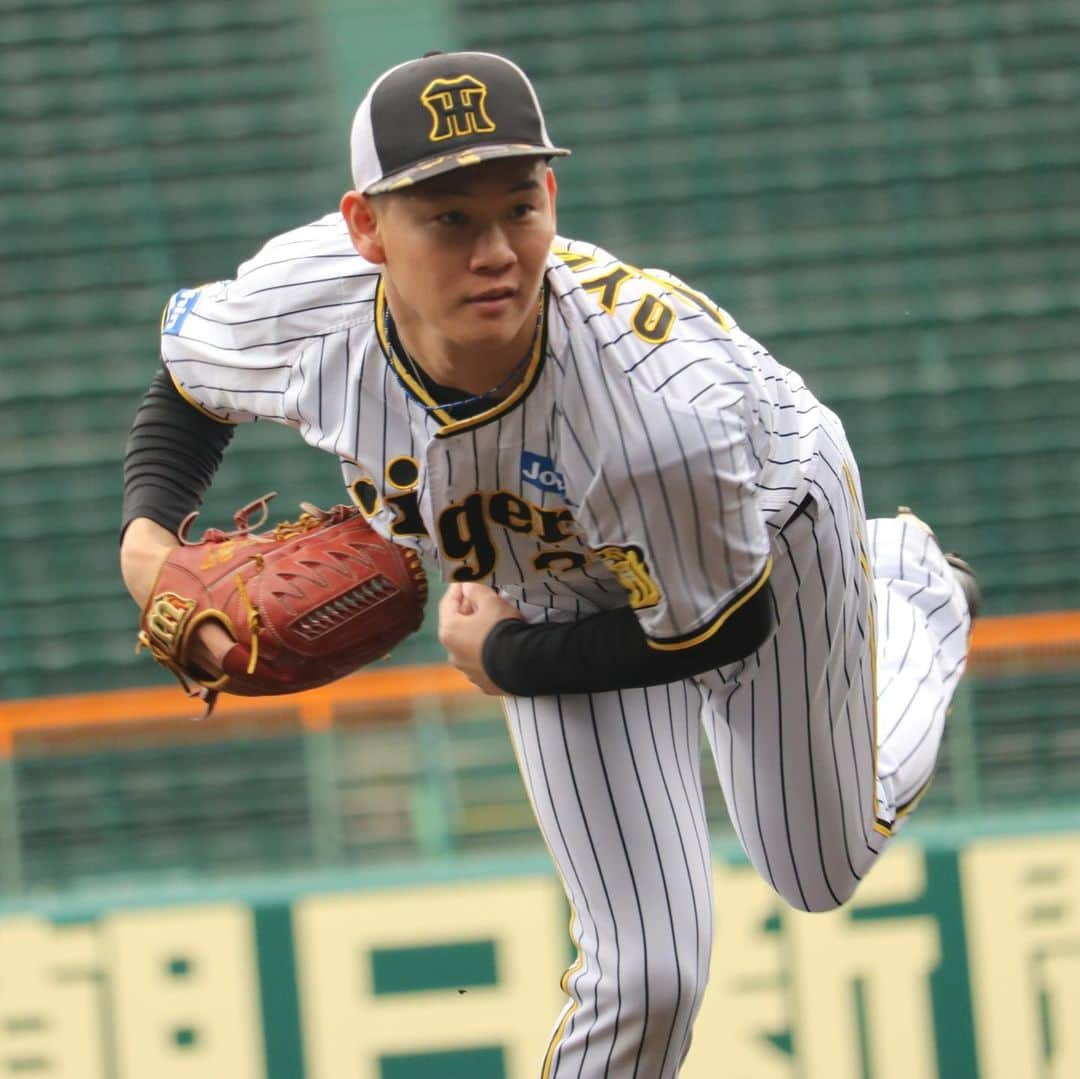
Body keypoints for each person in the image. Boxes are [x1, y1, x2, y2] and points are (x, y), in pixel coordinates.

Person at [120, 50, 979, 1077]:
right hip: (547, 569)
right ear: (366, 230)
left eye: (518, 209)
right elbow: (189, 386)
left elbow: (717, 632)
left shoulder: (660, 412)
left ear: (552, 199)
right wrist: (148, 537)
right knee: (648, 971)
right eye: (448, 218)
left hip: (763, 538)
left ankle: (908, 586)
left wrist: (509, 658)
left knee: (815, 866)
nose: (495, 251)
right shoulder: (306, 303)